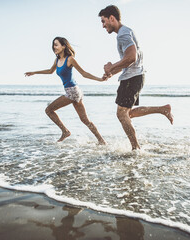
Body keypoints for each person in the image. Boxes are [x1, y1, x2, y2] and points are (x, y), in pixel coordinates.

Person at [98, 5, 174, 150]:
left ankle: (135, 148)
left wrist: (111, 66)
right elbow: (128, 59)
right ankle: (163, 109)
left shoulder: (122, 34)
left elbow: (131, 57)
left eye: (103, 21)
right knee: (127, 113)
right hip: (135, 75)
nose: (103, 25)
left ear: (112, 18)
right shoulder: (127, 31)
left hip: (132, 77)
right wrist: (111, 72)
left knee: (121, 114)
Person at [25, 37, 106, 145]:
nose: (54, 47)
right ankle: (102, 141)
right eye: (53, 45)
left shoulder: (70, 59)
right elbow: (50, 71)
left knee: (49, 110)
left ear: (63, 46)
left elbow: (84, 73)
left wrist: (100, 79)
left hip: (73, 91)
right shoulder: (57, 60)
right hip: (74, 92)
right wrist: (34, 72)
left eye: (57, 44)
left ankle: (65, 131)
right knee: (85, 120)